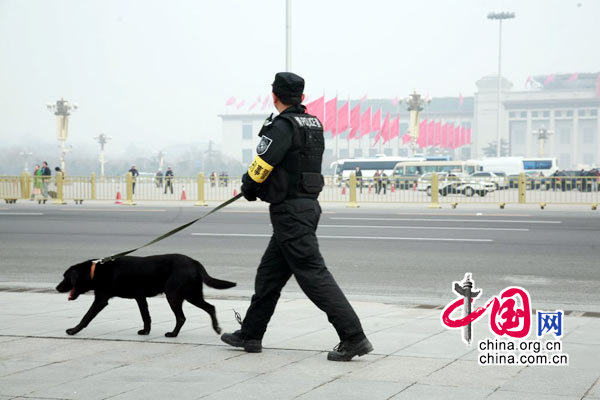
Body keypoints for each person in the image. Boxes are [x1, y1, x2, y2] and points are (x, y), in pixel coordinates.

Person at [220, 72, 372, 362]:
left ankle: (353, 337)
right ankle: (250, 334)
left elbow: (264, 162)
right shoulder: (313, 124)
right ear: (302, 98)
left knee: (314, 275)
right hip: (304, 206)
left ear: (274, 96)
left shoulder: (282, 125)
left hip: (290, 211)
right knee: (269, 275)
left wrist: (248, 188)